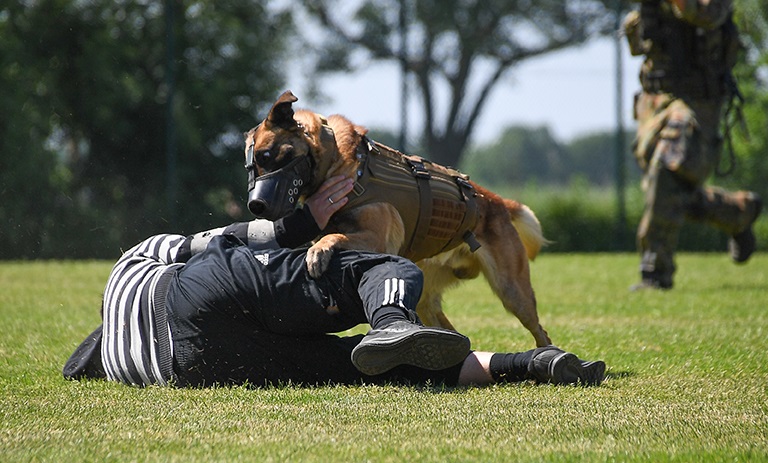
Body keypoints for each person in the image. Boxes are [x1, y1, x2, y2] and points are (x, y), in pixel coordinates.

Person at [64, 176, 606, 388]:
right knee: (374, 266)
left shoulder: (115, 358)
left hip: (190, 368)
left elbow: (80, 365)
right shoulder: (133, 266)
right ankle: (392, 321)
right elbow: (223, 239)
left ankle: (529, 366)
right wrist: (303, 223)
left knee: (358, 371)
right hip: (193, 291)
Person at [624, 0, 762, 290]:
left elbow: (703, 14)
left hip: (695, 102)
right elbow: (637, 43)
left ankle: (655, 271)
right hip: (655, 102)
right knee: (665, 193)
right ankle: (739, 212)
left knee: (666, 174)